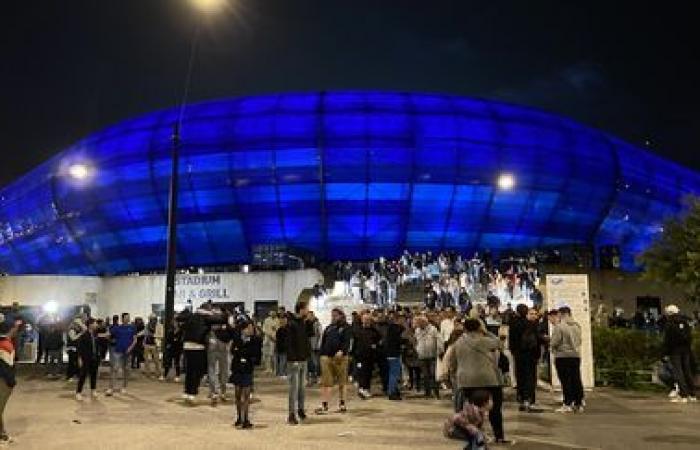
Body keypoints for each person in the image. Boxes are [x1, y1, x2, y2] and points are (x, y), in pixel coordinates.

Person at [447, 317, 510, 445]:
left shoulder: (458, 342)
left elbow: (452, 362)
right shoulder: (484, 340)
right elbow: (500, 344)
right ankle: (499, 436)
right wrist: (486, 332)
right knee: (495, 409)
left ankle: (476, 436)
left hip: (466, 381)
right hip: (488, 379)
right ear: (478, 327)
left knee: (473, 410)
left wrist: (455, 375)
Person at [178, 305, 227, 404]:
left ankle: (187, 392)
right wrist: (214, 313)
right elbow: (221, 320)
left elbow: (179, 318)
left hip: (187, 345)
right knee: (197, 371)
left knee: (189, 371)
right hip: (198, 346)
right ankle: (192, 393)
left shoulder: (192, 316)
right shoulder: (206, 318)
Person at [315, 308, 351, 414]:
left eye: (335, 315)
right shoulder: (329, 328)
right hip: (327, 358)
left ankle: (342, 404)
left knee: (342, 382)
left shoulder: (346, 328)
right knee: (326, 383)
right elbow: (323, 342)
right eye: (332, 315)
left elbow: (347, 342)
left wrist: (342, 351)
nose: (333, 317)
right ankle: (324, 404)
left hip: (340, 358)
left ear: (341, 316)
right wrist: (321, 354)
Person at [509, 305, 545, 412]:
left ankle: (521, 399)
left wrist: (514, 352)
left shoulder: (513, 323)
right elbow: (538, 339)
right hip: (530, 355)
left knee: (520, 377)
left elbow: (511, 340)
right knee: (530, 378)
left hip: (518, 355)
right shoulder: (530, 324)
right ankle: (529, 401)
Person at [230, 316, 262, 429]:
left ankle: (246, 419)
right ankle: (239, 417)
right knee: (238, 395)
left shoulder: (256, 340)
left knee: (247, 395)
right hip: (237, 368)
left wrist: (241, 352)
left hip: (248, 368)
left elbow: (255, 354)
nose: (251, 330)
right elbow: (233, 350)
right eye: (249, 328)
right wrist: (243, 352)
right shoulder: (236, 338)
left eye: (252, 328)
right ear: (243, 329)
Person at [551, 306, 584, 412]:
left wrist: (552, 346)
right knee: (576, 379)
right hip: (575, 356)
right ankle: (578, 403)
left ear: (562, 314)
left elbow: (554, 342)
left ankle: (567, 403)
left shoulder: (559, 326)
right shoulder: (577, 326)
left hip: (562, 356)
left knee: (565, 381)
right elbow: (579, 341)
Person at [663, 304, 697, 403]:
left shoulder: (670, 324)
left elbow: (667, 340)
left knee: (678, 372)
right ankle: (692, 394)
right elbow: (690, 336)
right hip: (686, 350)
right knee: (687, 371)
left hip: (675, 351)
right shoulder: (685, 321)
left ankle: (683, 395)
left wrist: (665, 352)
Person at [286, 302, 313, 425]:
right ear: (301, 310)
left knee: (302, 388)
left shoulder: (303, 323)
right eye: (306, 309)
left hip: (303, 359)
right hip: (295, 361)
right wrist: (293, 359)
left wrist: (309, 322)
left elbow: (309, 336)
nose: (308, 311)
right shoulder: (291, 324)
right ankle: (291, 414)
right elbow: (289, 344)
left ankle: (301, 410)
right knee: (294, 388)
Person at [106, 313, 136, 396]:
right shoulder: (117, 328)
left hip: (128, 352)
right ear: (122, 319)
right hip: (118, 351)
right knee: (115, 369)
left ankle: (124, 387)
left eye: (128, 317)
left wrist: (130, 348)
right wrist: (110, 340)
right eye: (126, 317)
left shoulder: (132, 328)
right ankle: (110, 388)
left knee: (126, 370)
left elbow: (135, 340)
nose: (128, 319)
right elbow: (108, 335)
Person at [0, 319, 20, 445]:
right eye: (16, 328)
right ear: (11, 329)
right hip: (3, 381)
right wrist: (11, 382)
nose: (17, 330)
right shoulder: (5, 345)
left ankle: (2, 434)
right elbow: (6, 368)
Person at [353, 312, 381, 399]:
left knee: (368, 373)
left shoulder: (374, 331)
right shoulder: (357, 330)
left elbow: (379, 341)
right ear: (362, 320)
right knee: (361, 372)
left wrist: (375, 346)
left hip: (370, 356)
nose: (366, 321)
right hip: (359, 356)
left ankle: (366, 389)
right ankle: (362, 388)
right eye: (365, 319)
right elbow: (354, 343)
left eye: (368, 320)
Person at [414, 315, 443, 399]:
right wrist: (417, 349)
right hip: (422, 356)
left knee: (433, 374)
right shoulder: (417, 330)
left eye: (420, 322)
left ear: (425, 322)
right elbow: (416, 341)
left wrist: (439, 350)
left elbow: (439, 340)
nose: (419, 324)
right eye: (418, 323)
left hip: (432, 355)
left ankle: (436, 392)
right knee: (425, 375)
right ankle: (427, 392)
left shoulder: (433, 329)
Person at [208, 310, 233, 404]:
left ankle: (214, 392)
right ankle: (222, 392)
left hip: (212, 346)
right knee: (223, 370)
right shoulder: (225, 324)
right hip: (222, 347)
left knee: (212, 370)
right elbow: (232, 333)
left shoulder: (210, 323)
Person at [75, 318, 100, 401]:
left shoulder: (95, 334)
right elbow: (80, 348)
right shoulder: (84, 335)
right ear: (90, 325)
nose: (96, 325)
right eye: (95, 323)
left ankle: (93, 390)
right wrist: (80, 358)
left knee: (94, 375)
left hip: (94, 358)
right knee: (83, 375)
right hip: (86, 359)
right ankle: (78, 392)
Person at [384, 311, 405, 400]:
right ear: (398, 319)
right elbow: (398, 340)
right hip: (394, 354)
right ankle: (392, 392)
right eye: (402, 319)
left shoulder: (390, 328)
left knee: (392, 373)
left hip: (390, 353)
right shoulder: (396, 328)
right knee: (394, 374)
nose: (403, 321)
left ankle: (393, 390)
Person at [66, 318, 86, 382]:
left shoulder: (78, 329)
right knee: (71, 362)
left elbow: (85, 329)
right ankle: (70, 376)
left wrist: (81, 324)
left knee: (77, 362)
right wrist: (80, 334)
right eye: (78, 324)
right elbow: (73, 338)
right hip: (72, 348)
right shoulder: (71, 330)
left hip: (77, 348)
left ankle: (77, 374)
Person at [307, 311, 323, 386]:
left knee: (316, 363)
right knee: (310, 363)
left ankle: (317, 378)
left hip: (315, 346)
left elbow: (320, 334)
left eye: (310, 316)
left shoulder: (317, 323)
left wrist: (318, 345)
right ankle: (312, 378)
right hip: (309, 346)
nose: (309, 317)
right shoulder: (307, 323)